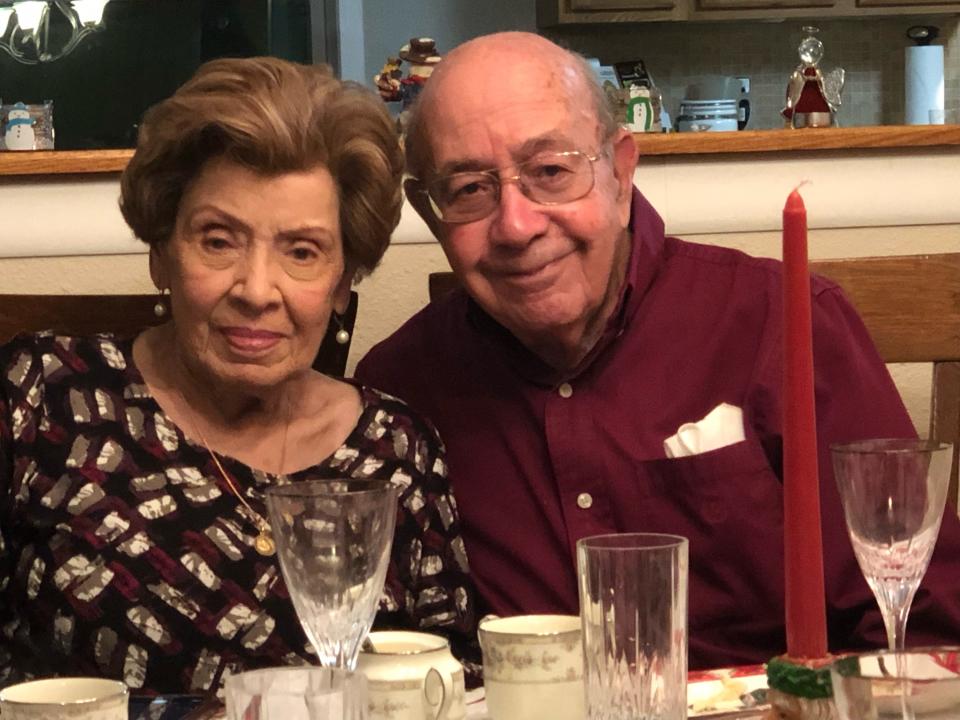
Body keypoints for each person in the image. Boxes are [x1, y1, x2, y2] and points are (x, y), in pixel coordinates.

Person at [356, 32, 960, 670]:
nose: (516, 225)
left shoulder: (778, 323)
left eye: (551, 172)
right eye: (470, 189)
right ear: (429, 213)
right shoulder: (399, 395)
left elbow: (922, 619)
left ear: (619, 171)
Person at [0, 57, 474, 694]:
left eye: (302, 251)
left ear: (343, 282)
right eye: (218, 240)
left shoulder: (397, 449)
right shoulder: (42, 396)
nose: (256, 290)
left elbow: (457, 687)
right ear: (160, 254)